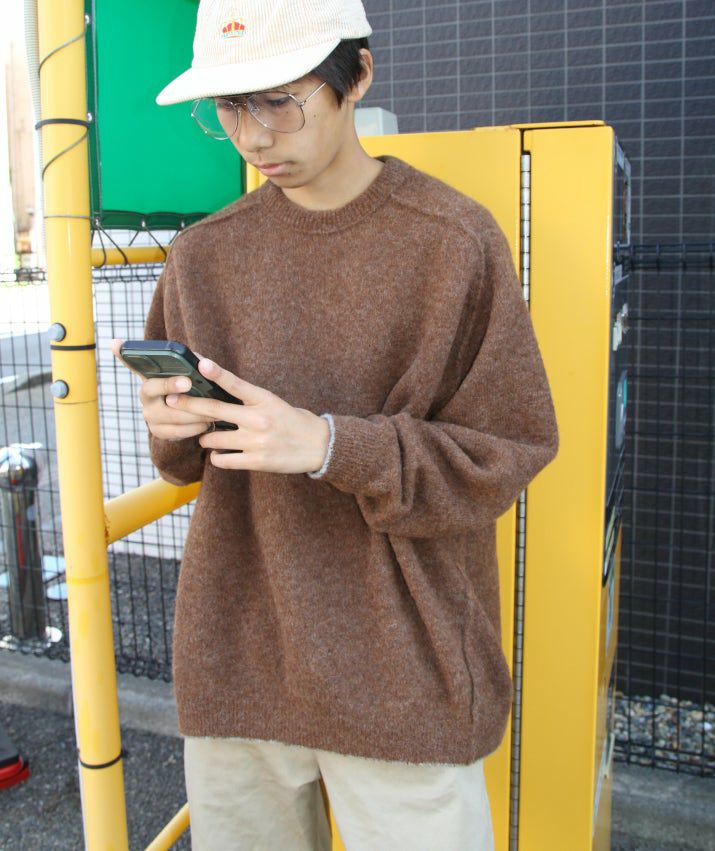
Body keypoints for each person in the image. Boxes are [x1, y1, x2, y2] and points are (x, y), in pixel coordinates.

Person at [110, 1, 559, 848]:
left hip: (404, 667)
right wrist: (169, 422)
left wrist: (328, 444)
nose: (252, 134)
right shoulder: (203, 255)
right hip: (240, 654)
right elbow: (183, 463)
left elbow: (508, 448)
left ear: (357, 76)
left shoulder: (452, 239)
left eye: (279, 100)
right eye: (229, 105)